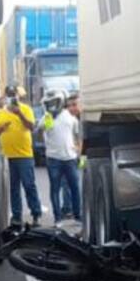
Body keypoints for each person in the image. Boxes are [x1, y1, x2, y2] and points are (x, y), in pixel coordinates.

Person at [0, 85, 42, 228]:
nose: (12, 97)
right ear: (5, 96)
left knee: (29, 185)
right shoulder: (0, 113)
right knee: (13, 188)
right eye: (9, 95)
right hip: (8, 156)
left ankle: (36, 214)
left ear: (18, 96)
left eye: (14, 94)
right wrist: (1, 128)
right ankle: (17, 216)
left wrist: (19, 114)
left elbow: (32, 127)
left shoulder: (26, 109)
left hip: (24, 155)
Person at [43, 92, 83, 223]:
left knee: (75, 188)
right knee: (55, 189)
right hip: (53, 159)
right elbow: (38, 131)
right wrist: (46, 124)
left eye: (54, 102)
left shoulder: (70, 117)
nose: (52, 106)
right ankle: (57, 217)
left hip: (70, 159)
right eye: (49, 103)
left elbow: (78, 135)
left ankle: (77, 215)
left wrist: (78, 152)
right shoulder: (47, 117)